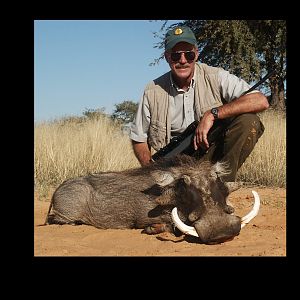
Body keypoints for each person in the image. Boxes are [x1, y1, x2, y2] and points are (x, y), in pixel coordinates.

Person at [130, 25, 269, 182]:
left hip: (209, 156)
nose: (183, 61)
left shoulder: (216, 76)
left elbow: (260, 101)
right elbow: (139, 138)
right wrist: (151, 172)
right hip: (172, 168)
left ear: (196, 54)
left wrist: (213, 114)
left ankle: (220, 188)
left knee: (249, 121)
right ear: (167, 57)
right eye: (176, 56)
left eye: (188, 55)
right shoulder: (151, 91)